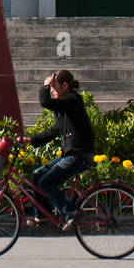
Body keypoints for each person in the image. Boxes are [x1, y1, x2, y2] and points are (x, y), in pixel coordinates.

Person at [25, 69, 96, 228]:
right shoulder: (66, 107)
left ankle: (71, 212)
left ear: (65, 86)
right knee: (37, 176)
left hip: (79, 154)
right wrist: (31, 140)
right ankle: (43, 216)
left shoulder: (72, 101)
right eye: (50, 87)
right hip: (70, 154)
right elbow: (55, 130)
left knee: (46, 183)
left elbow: (46, 102)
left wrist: (44, 86)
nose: (51, 90)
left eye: (53, 86)